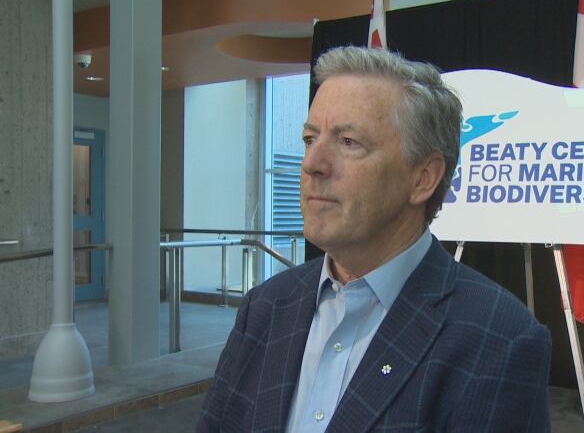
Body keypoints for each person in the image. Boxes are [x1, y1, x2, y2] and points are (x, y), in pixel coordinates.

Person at [197, 46, 551, 432]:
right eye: (309, 138)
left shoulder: (499, 340)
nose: (312, 163)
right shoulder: (264, 308)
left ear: (422, 178)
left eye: (349, 142)